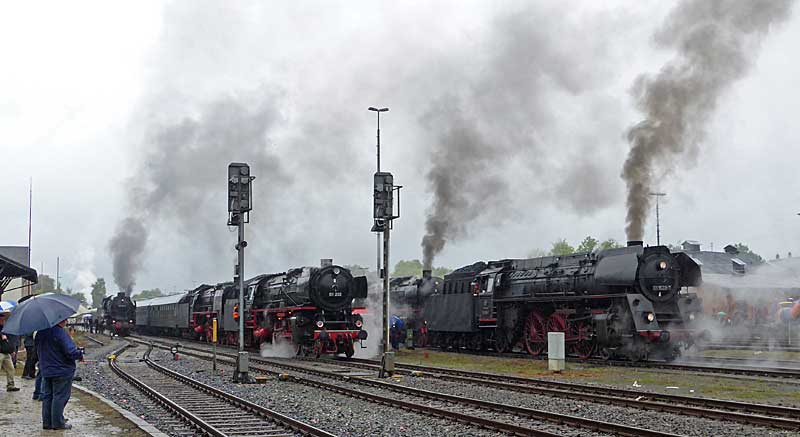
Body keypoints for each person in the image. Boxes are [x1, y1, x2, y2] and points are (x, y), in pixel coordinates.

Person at [36, 318, 84, 430]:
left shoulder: (40, 332)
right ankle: (58, 423)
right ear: (60, 320)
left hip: (46, 369)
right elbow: (71, 352)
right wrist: (80, 354)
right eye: (65, 319)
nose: (66, 321)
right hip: (62, 370)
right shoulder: (59, 332)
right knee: (60, 396)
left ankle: (47, 422)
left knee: (48, 396)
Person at [0, 311, 20, 392]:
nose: (3, 321)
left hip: (6, 352)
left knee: (11, 369)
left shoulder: (5, 328)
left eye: (3, 319)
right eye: (1, 319)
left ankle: (10, 385)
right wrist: (1, 335)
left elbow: (9, 340)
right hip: (0, 352)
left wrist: (12, 350)